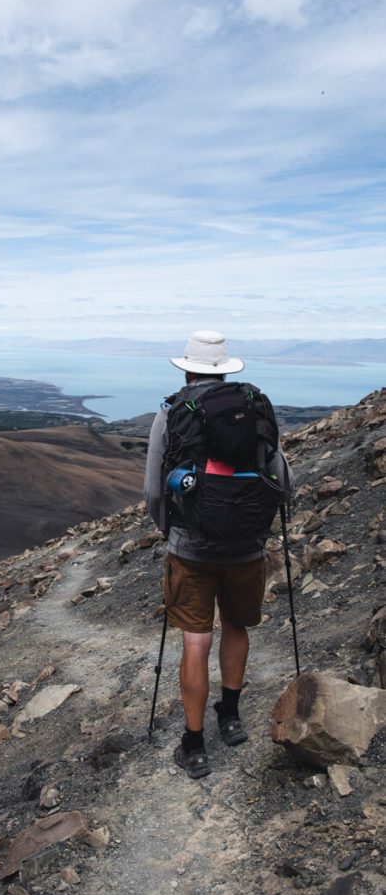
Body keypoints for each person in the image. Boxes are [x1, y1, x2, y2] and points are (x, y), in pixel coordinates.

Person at [143, 330, 294, 779]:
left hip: (191, 547)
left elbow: (154, 489)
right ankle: (229, 716)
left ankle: (193, 744)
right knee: (236, 626)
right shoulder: (255, 408)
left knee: (195, 640)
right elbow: (281, 477)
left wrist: (172, 529)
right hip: (247, 547)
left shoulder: (172, 413)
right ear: (226, 368)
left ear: (188, 368)